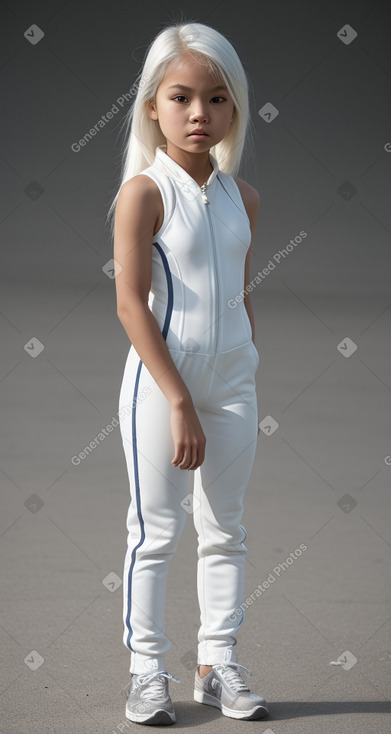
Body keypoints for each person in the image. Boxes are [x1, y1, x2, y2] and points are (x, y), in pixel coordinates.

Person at [107, 19, 269, 726]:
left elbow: (239, 290)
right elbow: (128, 302)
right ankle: (147, 671)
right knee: (155, 530)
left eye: (217, 98)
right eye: (180, 97)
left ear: (234, 108)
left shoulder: (244, 198)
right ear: (151, 106)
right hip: (160, 384)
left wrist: (244, 367)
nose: (199, 112)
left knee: (225, 529)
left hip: (232, 383)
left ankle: (216, 664)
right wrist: (177, 399)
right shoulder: (144, 193)